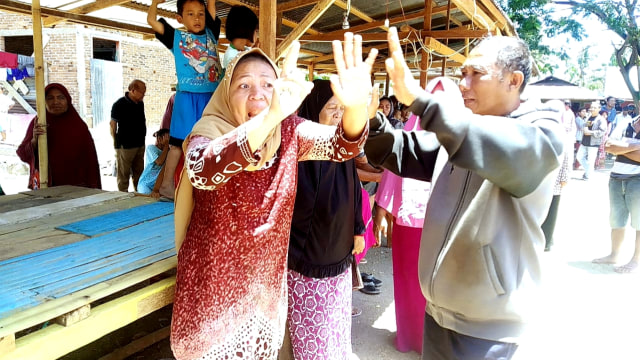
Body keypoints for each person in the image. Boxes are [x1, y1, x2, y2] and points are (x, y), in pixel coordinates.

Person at [170, 34, 376, 359]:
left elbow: (343, 146)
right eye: (244, 86)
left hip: (263, 302)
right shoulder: (208, 130)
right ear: (226, 91)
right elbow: (202, 170)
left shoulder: (289, 132)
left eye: (268, 85)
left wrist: (355, 107)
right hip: (212, 300)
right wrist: (269, 118)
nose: (259, 95)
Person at [364, 28, 564, 360]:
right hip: (439, 314)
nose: (464, 83)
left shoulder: (541, 134)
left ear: (514, 81)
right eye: (463, 74)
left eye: (476, 75)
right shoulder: (462, 131)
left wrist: (421, 101)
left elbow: (494, 144)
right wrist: (370, 119)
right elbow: (400, 149)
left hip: (488, 331)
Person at [281, 79, 365, 360]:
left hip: (339, 251)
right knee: (311, 331)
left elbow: (354, 189)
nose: (339, 114)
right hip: (309, 258)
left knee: (335, 322)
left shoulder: (343, 146)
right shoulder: (300, 149)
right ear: (314, 108)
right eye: (332, 107)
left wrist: (358, 229)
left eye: (343, 107)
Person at [148, 0, 223, 199]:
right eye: (190, 14)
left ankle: (208, 188)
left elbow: (212, 7)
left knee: (211, 142)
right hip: (187, 98)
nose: (197, 18)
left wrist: (211, 4)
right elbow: (151, 21)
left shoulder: (211, 34)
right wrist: (155, 2)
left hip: (211, 96)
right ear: (180, 18)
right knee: (177, 145)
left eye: (200, 13)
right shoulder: (176, 37)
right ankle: (166, 186)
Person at [373, 110, 433, 354]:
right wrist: (381, 212)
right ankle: (410, 337)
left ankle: (418, 338)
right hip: (411, 223)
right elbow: (392, 171)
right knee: (409, 280)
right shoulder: (409, 134)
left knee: (428, 284)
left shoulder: (456, 139)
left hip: (433, 224)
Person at [17, 83, 101, 190]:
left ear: (68, 101)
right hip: (46, 186)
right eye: (50, 98)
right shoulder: (39, 123)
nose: (56, 102)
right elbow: (23, 154)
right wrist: (34, 141)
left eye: (61, 98)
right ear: (44, 102)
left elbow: (90, 161)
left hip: (77, 188)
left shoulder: (78, 126)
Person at [593, 115, 640, 273]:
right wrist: (636, 147)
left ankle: (635, 260)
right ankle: (614, 255)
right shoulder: (627, 121)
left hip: (637, 179)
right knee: (616, 220)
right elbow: (608, 145)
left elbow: (615, 147)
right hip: (616, 178)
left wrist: (621, 148)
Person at [110, 79, 147, 192]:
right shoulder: (119, 104)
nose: (143, 96)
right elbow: (112, 125)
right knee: (123, 174)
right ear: (133, 90)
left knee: (139, 173)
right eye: (142, 93)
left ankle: (138, 194)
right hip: (125, 146)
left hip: (140, 144)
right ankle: (123, 196)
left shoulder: (140, 103)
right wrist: (116, 142)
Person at [576, 102, 606, 180]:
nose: (592, 109)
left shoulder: (601, 120)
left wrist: (590, 133)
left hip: (593, 143)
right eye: (591, 107)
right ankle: (589, 172)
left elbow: (602, 132)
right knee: (579, 157)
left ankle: (588, 175)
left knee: (590, 160)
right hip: (584, 142)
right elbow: (585, 126)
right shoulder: (588, 117)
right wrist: (584, 128)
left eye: (594, 108)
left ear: (599, 109)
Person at [137, 128, 170, 197]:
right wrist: (166, 145)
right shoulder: (151, 148)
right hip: (145, 184)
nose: (168, 140)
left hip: (157, 185)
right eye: (166, 138)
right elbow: (159, 162)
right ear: (159, 139)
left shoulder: (169, 151)